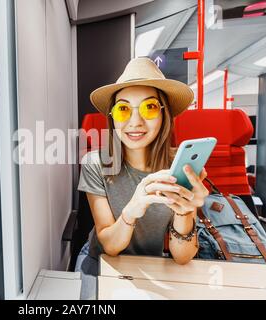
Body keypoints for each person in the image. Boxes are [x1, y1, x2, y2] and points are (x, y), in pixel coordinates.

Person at [75, 57, 210, 300]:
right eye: (123, 109)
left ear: (164, 114)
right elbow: (111, 247)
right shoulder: (95, 163)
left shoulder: (180, 166)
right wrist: (133, 207)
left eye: (148, 107)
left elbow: (182, 257)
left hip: (155, 263)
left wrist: (185, 210)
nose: (135, 122)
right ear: (113, 116)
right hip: (102, 261)